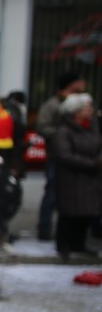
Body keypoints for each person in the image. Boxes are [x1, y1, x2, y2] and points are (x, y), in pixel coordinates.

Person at [36, 72, 87, 241]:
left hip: (79, 157)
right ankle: (45, 229)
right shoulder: (52, 104)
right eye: (79, 81)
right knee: (52, 193)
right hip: (58, 156)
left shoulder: (85, 103)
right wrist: (63, 135)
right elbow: (42, 126)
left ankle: (74, 234)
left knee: (76, 196)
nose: (83, 83)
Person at [52, 93, 101, 261]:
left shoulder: (92, 127)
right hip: (71, 177)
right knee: (69, 213)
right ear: (76, 111)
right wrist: (92, 163)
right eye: (87, 108)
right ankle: (64, 245)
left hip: (90, 178)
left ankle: (79, 243)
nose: (91, 111)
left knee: (86, 212)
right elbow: (64, 155)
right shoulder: (64, 130)